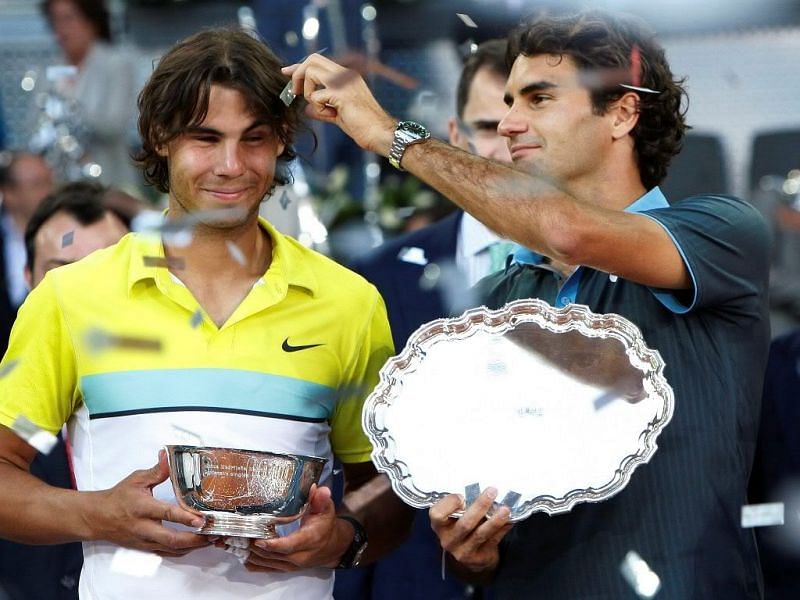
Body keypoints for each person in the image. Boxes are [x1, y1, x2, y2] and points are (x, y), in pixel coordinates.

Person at [283, 9, 771, 598]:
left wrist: (391, 135)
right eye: (509, 101)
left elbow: (567, 232)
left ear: (621, 111)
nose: (510, 124)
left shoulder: (721, 232)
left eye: (538, 98)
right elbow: (481, 543)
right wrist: (471, 550)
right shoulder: (493, 304)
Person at [0, 28, 411, 600]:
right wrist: (98, 514)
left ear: (281, 143)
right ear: (161, 139)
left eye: (255, 138)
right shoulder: (72, 298)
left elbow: (387, 487)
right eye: (206, 138)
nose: (231, 165)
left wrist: (344, 537)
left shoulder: (348, 304)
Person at [336, 39, 511, 600]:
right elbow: (357, 461)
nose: (506, 150)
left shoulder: (602, 273)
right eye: (489, 128)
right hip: (413, 581)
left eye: (521, 128)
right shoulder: (379, 280)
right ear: (455, 136)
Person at [0, 180, 131, 600]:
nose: (78, 298)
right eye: (61, 273)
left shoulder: (179, 395)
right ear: (27, 277)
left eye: (99, 273)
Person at [41, 0, 140, 188]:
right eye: (55, 20)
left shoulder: (115, 64)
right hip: (62, 183)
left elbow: (114, 124)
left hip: (108, 181)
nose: (61, 29)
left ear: (91, 21)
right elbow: (35, 123)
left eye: (68, 18)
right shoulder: (52, 68)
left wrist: (68, 109)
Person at [0, 151, 55, 354]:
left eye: (49, 181)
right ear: (8, 193)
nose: (48, 192)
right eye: (37, 184)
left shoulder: (69, 237)